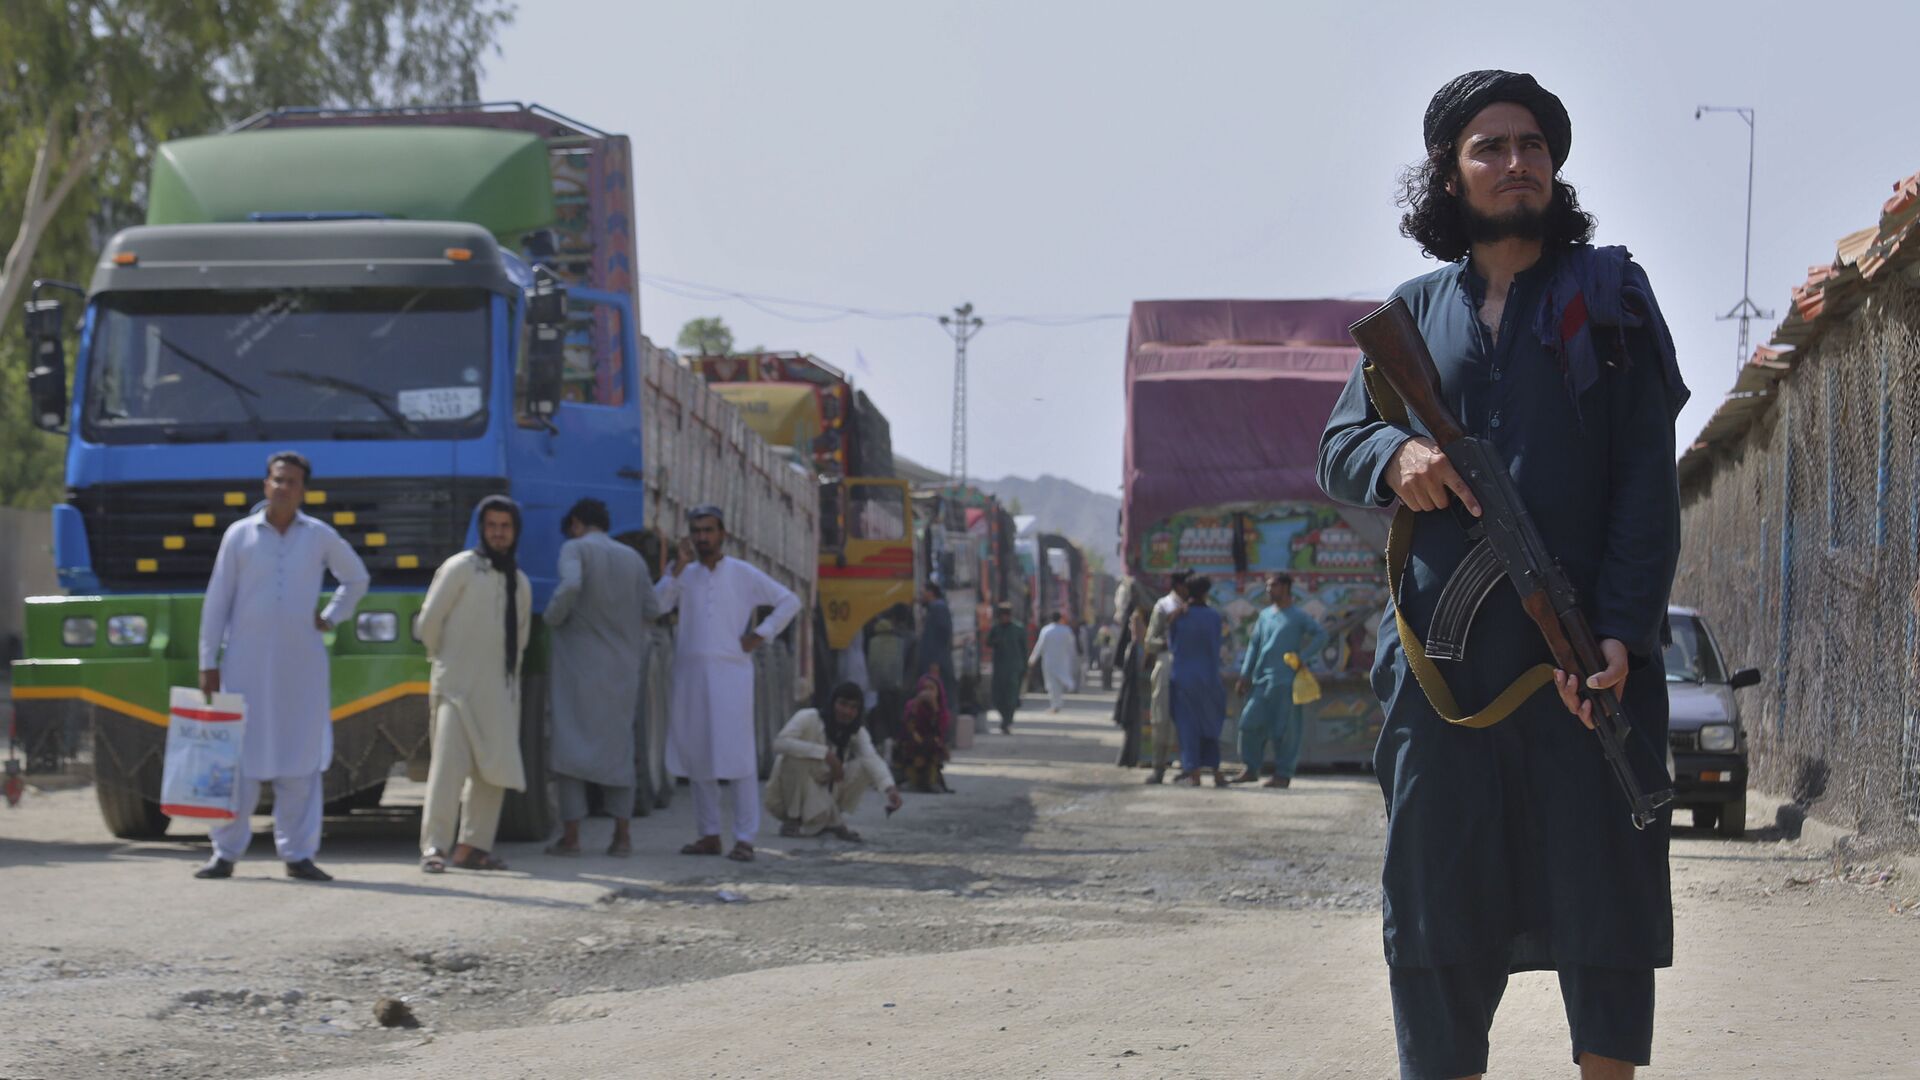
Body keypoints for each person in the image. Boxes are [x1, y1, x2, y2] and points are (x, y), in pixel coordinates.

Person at [1317, 71, 1687, 1080]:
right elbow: (1337, 447)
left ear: (1554, 167)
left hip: (1584, 668)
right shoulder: (1412, 313)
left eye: (1533, 145)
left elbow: (1647, 482)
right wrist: (1395, 454)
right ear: (1450, 173)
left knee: (1605, 903)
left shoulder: (1610, 299)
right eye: (1491, 146)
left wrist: (1621, 633)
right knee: (1437, 908)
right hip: (1446, 686)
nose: (1516, 162)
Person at [194, 451, 369, 882]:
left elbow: (356, 578)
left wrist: (331, 617)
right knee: (239, 761)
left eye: (291, 481)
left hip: (301, 668)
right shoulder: (240, 535)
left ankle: (298, 854)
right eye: (277, 480)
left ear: (303, 489)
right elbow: (217, 600)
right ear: (265, 484)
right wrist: (208, 661)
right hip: (244, 666)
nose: (283, 488)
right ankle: (225, 853)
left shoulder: (319, 535)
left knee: (300, 761)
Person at [656, 505, 803, 863]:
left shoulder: (742, 572)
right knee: (698, 753)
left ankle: (745, 838)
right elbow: (657, 605)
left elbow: (790, 601)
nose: (702, 537)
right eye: (697, 531)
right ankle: (709, 835)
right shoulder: (683, 574)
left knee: (738, 757)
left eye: (709, 530)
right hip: (690, 675)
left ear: (722, 534)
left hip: (731, 675)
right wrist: (676, 569)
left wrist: (760, 634)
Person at [417, 495, 531, 873]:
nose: (498, 533)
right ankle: (435, 847)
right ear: (481, 529)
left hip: (498, 692)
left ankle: (473, 847)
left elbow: (521, 642)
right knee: (447, 770)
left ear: (515, 532)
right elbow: (429, 623)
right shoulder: (460, 568)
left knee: (493, 772)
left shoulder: (519, 582)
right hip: (456, 689)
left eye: (505, 527)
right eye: (492, 526)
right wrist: (446, 664)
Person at [546, 497, 657, 857]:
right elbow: (653, 607)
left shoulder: (575, 549)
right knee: (619, 749)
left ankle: (572, 837)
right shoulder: (633, 559)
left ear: (576, 524)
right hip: (622, 670)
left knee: (570, 746)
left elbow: (570, 586)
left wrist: (552, 617)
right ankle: (622, 837)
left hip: (577, 667)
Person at [765, 681, 903, 841]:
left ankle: (831, 819)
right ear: (832, 703)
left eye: (853, 707)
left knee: (864, 765)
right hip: (795, 792)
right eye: (842, 704)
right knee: (794, 758)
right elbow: (780, 743)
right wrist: (825, 754)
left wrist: (890, 789)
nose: (847, 712)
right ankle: (793, 821)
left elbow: (871, 757)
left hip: (826, 788)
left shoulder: (855, 731)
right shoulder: (808, 717)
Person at [1231, 572, 1329, 788]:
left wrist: (1302, 658)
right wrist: (1245, 674)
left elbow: (1321, 635)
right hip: (1261, 680)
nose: (1268, 590)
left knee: (1285, 730)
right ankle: (1250, 768)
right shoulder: (1265, 616)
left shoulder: (1298, 616)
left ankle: (1283, 774)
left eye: (1273, 586)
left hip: (1286, 681)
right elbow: (1254, 646)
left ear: (1285, 588)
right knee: (1249, 724)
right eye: (1267, 586)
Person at [1167, 575, 1228, 787]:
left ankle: (1193, 772)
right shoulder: (1214, 617)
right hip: (1209, 678)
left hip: (1183, 678)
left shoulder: (1178, 617)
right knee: (1210, 723)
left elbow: (1172, 645)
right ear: (1206, 593)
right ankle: (1216, 771)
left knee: (1187, 725)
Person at [1142, 570, 1191, 784]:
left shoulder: (1195, 606)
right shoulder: (1163, 606)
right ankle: (1158, 767)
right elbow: (1150, 642)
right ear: (1179, 586)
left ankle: (1188, 768)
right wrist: (1170, 639)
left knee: (1189, 720)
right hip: (1167, 662)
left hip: (1190, 665)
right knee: (1161, 718)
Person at [891, 672, 951, 793]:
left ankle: (931, 780)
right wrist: (916, 705)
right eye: (924, 688)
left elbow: (939, 732)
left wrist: (934, 708)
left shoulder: (942, 711)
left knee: (932, 743)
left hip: (930, 745)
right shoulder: (911, 705)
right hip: (912, 743)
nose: (927, 692)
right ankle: (910, 779)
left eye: (931, 688)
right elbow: (907, 727)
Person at [866, 607, 910, 745]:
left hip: (879, 685)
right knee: (893, 718)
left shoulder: (874, 641)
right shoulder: (900, 639)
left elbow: (873, 663)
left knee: (882, 718)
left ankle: (883, 743)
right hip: (895, 685)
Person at [1113, 604, 1150, 767]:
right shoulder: (1133, 647)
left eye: (1136, 624)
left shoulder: (1146, 648)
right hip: (1132, 693)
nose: (1132, 628)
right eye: (1131, 624)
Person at [986, 602, 1029, 734]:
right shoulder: (996, 629)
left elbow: (1024, 649)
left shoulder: (1018, 629)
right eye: (1002, 615)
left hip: (1014, 669)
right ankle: (1005, 718)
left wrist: (1025, 668)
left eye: (1006, 615)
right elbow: (988, 642)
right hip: (999, 669)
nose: (1004, 618)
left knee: (1011, 697)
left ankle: (1007, 721)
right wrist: (996, 641)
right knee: (997, 697)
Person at [1027, 611, 1080, 713]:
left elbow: (1039, 646)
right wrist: (1073, 658)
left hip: (1049, 661)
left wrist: (1032, 659)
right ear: (1060, 619)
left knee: (1051, 684)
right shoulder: (1066, 630)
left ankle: (1055, 704)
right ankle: (1057, 703)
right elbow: (1072, 647)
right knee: (1058, 682)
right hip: (1063, 661)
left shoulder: (1046, 630)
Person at [917, 582, 954, 711]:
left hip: (936, 665)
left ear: (930, 593)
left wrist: (935, 662)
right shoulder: (934, 608)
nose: (920, 596)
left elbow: (942, 636)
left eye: (922, 593)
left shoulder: (938, 608)